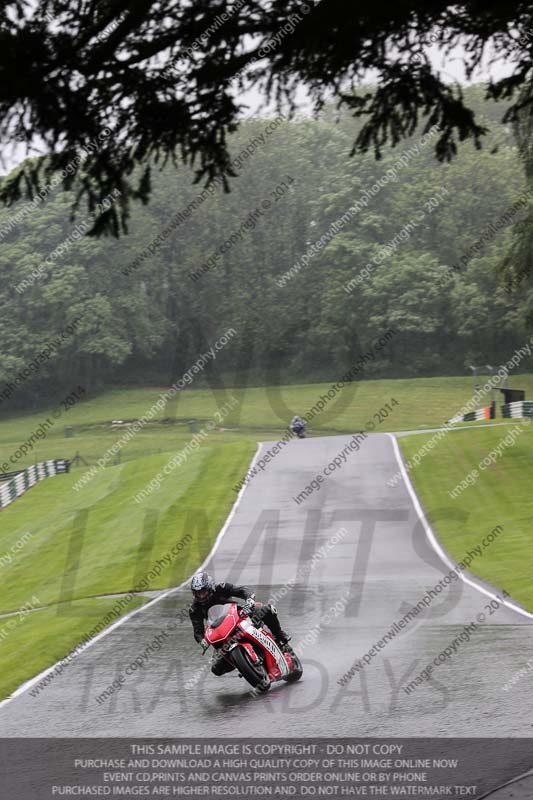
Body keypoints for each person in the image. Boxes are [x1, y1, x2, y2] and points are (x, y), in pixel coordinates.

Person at [188, 572, 291, 676]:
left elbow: (243, 590)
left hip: (239, 616)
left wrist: (249, 600)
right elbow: (198, 631)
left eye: (203, 592)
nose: (201, 596)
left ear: (210, 587)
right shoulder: (194, 609)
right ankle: (241, 662)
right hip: (220, 633)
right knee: (216, 668)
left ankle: (279, 634)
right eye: (198, 593)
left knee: (267, 609)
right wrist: (203, 641)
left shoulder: (221, 588)